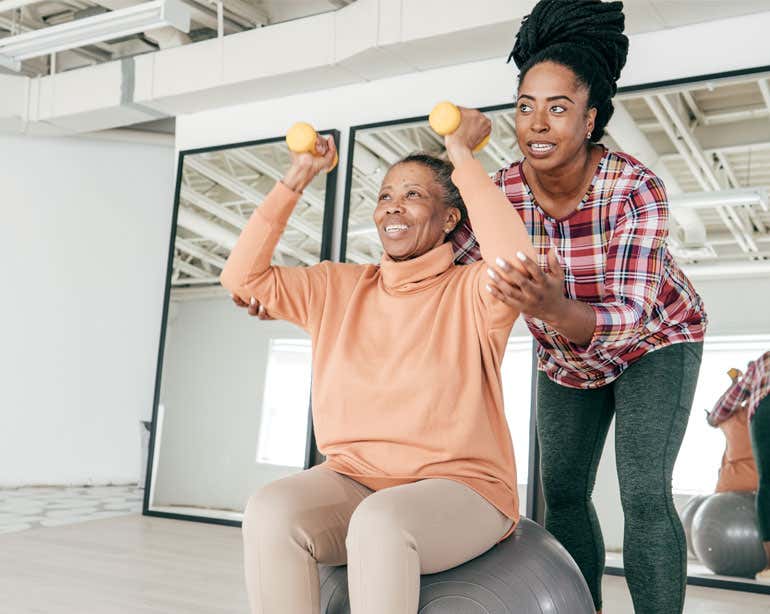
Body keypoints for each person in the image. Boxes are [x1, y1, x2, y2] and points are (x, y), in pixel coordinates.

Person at [220, 111, 537, 614]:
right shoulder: (338, 288)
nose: (394, 207)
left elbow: (518, 266)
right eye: (386, 196)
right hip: (353, 477)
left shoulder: (475, 291)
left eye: (413, 195)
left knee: (380, 521)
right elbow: (242, 280)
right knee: (269, 510)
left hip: (463, 488)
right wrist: (299, 175)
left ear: (450, 219)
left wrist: (461, 156)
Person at [451, 1, 707, 612]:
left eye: (558, 108)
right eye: (525, 107)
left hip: (657, 341)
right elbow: (450, 269)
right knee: (561, 491)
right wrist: (458, 157)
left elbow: (628, 316)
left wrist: (551, 303)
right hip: (566, 356)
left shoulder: (632, 186)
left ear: (590, 120)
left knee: (644, 493)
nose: (538, 123)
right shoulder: (504, 191)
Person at [708, 351, 770, 582]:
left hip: (766, 405)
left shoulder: (763, 362)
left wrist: (714, 417)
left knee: (769, 484)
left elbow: (722, 409)